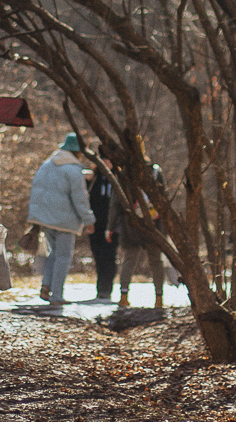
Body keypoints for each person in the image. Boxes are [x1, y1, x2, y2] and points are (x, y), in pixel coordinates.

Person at [26, 131, 95, 311]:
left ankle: (46, 286)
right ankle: (56, 295)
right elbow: (80, 199)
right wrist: (88, 220)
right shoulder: (73, 170)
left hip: (46, 219)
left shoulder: (48, 164)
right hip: (66, 221)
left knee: (53, 254)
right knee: (63, 257)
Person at [107, 163, 166, 311]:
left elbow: (116, 202)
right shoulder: (154, 171)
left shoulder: (124, 173)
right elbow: (163, 198)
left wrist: (111, 227)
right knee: (156, 261)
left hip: (131, 223)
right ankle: (159, 299)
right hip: (153, 223)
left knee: (129, 259)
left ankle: (123, 297)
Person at [88, 155, 117, 301]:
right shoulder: (93, 178)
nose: (106, 163)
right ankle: (100, 289)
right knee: (98, 256)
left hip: (113, 225)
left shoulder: (118, 178)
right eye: (104, 160)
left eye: (109, 160)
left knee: (109, 256)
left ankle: (107, 288)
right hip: (95, 224)